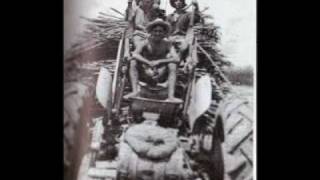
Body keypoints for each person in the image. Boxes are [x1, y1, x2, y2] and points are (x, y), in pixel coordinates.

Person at [124, 19, 182, 103]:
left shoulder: (167, 44)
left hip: (160, 73)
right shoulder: (145, 42)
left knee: (172, 65)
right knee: (133, 62)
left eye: (160, 31)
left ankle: (171, 96)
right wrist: (148, 63)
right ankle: (135, 91)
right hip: (146, 71)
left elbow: (177, 58)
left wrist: (159, 61)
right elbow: (135, 54)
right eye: (155, 31)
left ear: (164, 33)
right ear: (151, 31)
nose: (157, 33)